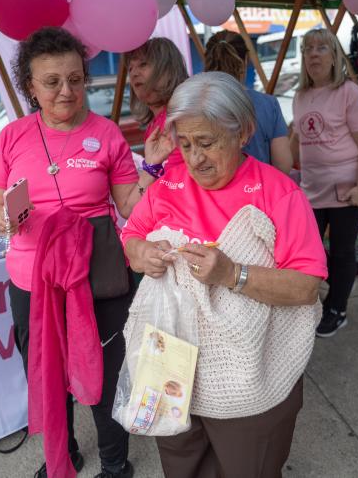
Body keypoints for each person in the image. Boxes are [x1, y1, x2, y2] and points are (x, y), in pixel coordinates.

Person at [0, 27, 172, 478]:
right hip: (33, 277)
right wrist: (5, 219)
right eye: (51, 82)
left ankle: (114, 463)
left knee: (106, 373)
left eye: (75, 79)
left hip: (97, 274)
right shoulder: (12, 137)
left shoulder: (105, 134)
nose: (65, 91)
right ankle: (62, 456)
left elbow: (129, 205)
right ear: (30, 86)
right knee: (49, 373)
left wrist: (151, 166)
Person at [122, 72, 327, 478]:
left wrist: (234, 273)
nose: (194, 158)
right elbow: (132, 237)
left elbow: (307, 286)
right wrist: (142, 254)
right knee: (182, 463)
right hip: (171, 365)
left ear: (243, 132)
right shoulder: (169, 183)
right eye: (184, 144)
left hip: (246, 376)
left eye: (207, 142)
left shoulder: (277, 192)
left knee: (247, 465)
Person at [290, 28, 358, 337]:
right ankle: (319, 297)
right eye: (307, 49)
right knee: (309, 250)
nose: (313, 54)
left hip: (346, 190)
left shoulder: (349, 93)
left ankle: (337, 308)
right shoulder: (301, 95)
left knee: (342, 252)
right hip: (312, 189)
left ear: (334, 56)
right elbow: (297, 139)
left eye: (321, 48)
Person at [203, 30, 292, 174]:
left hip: (208, 193)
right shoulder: (268, 105)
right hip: (258, 191)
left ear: (208, 61)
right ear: (245, 60)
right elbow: (283, 165)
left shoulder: (195, 104)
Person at [125, 37, 189, 170]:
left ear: (168, 70)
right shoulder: (154, 123)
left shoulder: (183, 118)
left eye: (143, 64)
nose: (134, 74)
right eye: (130, 68)